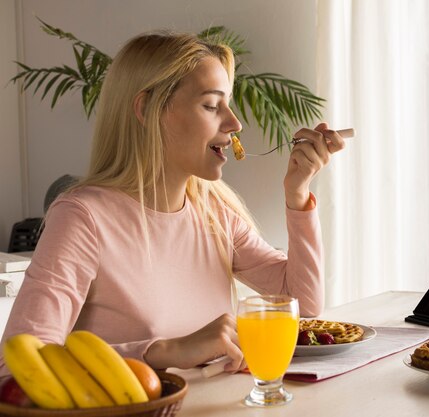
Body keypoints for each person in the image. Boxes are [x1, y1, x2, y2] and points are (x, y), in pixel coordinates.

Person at [0, 30, 345, 376]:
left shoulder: (214, 213)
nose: (235, 123)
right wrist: (163, 352)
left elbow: (302, 301)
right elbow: (16, 369)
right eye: (211, 105)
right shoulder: (83, 217)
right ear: (148, 109)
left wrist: (297, 195)